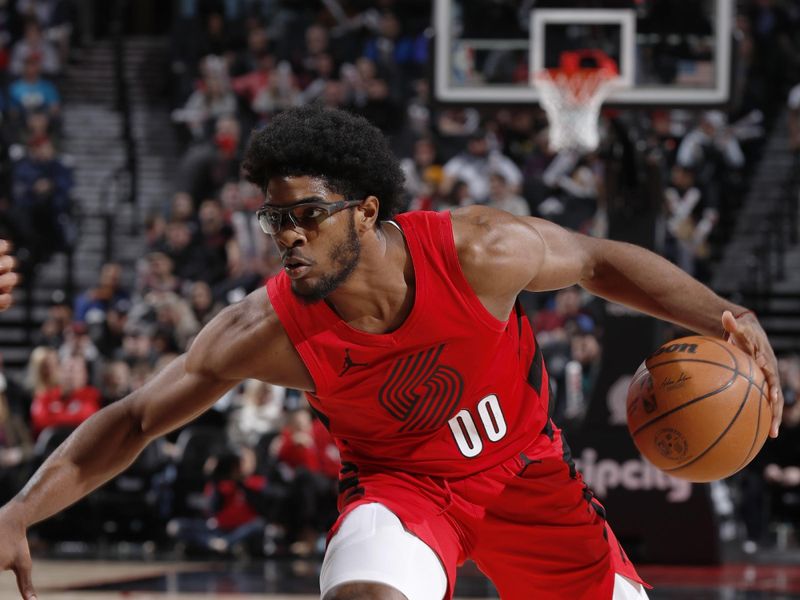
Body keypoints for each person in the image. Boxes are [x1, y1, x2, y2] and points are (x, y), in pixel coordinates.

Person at [0, 106, 784, 600]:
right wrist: (18, 511)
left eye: (308, 214)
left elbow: (598, 261)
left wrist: (725, 313)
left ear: (367, 210)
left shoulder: (480, 251)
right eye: (275, 221)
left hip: (528, 477)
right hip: (403, 491)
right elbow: (137, 419)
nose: (289, 238)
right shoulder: (266, 332)